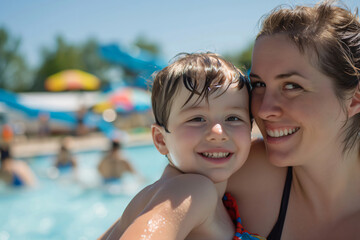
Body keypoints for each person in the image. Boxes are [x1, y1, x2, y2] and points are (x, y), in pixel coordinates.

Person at [224, 1, 360, 239]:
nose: (264, 110)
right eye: (258, 84)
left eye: (291, 86)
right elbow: (166, 197)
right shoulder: (239, 174)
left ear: (354, 100)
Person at [99, 52, 262, 240]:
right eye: (197, 118)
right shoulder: (192, 190)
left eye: (233, 118)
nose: (218, 132)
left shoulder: (173, 193)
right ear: (161, 140)